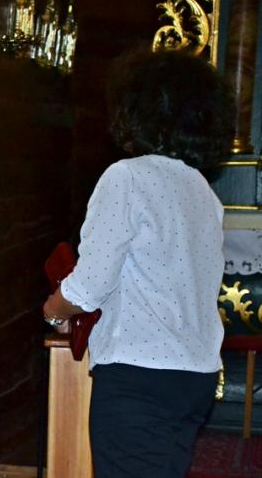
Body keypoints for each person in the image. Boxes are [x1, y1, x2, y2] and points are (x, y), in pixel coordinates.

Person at [43, 49, 234, 478]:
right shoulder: (203, 191)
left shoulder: (127, 177)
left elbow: (90, 285)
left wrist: (54, 310)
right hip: (195, 376)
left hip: (139, 377)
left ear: (138, 110)